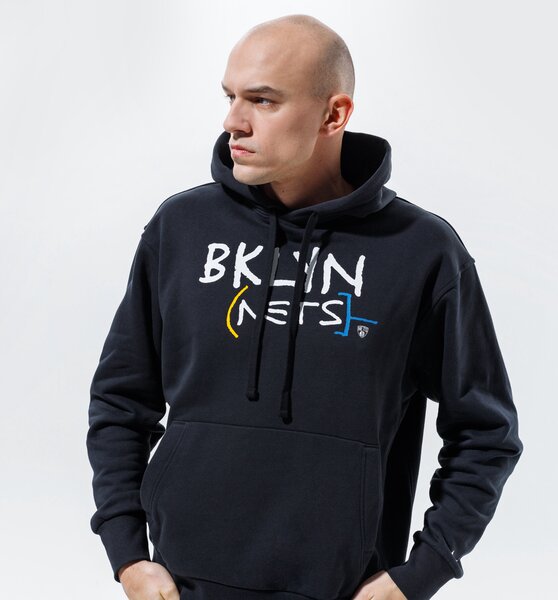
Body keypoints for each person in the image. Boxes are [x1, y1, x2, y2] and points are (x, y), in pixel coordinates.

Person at [86, 13, 523, 600]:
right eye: (230, 97)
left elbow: (485, 432)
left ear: (334, 115)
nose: (233, 121)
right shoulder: (180, 229)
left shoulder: (420, 251)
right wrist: (128, 556)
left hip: (342, 589)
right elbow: (120, 401)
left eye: (263, 100)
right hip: (180, 587)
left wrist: (422, 573)